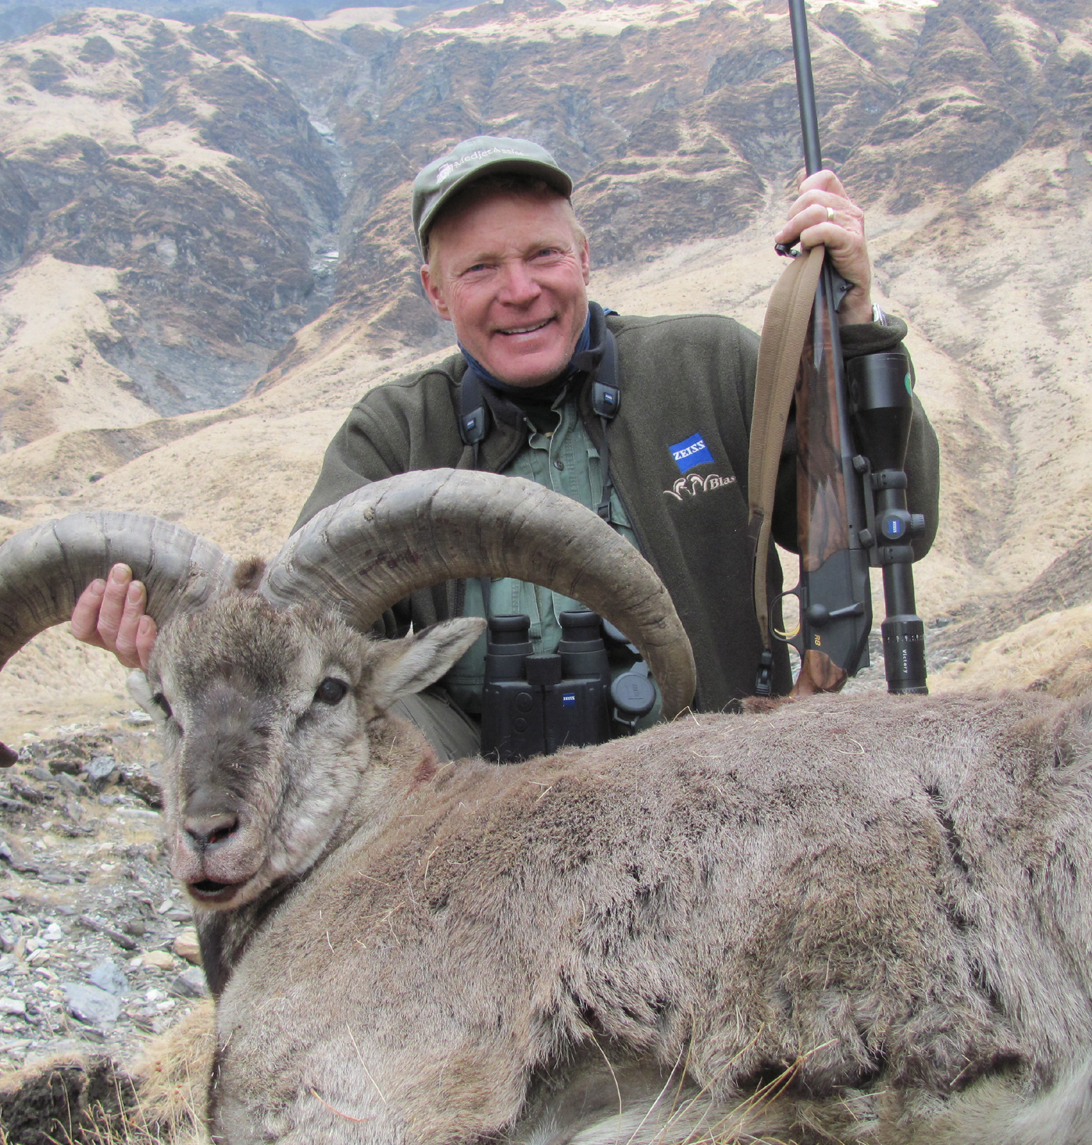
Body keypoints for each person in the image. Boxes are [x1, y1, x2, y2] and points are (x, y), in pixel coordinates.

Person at [71, 136, 939, 758]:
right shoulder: (395, 432)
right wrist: (175, 645)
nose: (520, 291)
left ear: (586, 258)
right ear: (434, 292)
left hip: (717, 768)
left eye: (543, 256)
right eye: (480, 269)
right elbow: (301, 633)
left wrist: (856, 327)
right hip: (482, 821)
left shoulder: (707, 365)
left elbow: (892, 521)